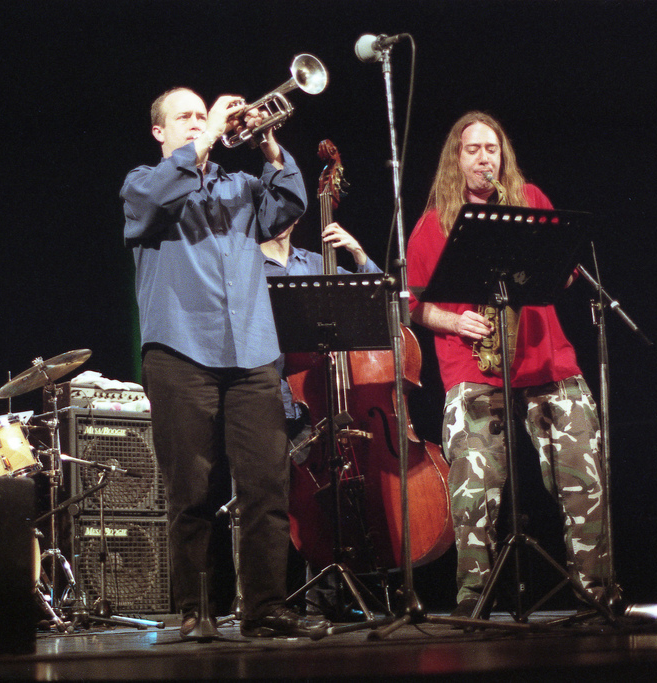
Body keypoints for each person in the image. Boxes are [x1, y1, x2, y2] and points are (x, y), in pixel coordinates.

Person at [121, 86, 315, 638]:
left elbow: (288, 206)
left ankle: (264, 606)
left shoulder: (240, 186)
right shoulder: (143, 182)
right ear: (160, 131)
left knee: (265, 487)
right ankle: (196, 610)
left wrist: (270, 147)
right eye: (185, 117)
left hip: (252, 350)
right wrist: (205, 140)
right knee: (192, 490)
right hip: (181, 350)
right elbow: (155, 204)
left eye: (203, 115)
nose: (199, 122)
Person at [406, 111, 609, 617]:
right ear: (457, 159)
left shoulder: (530, 200)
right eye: (472, 150)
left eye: (491, 149)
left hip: (547, 360)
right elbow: (413, 304)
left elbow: (564, 272)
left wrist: (555, 269)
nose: (483, 159)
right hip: (473, 366)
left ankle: (597, 596)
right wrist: (456, 323)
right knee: (473, 492)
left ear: (503, 156)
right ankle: (473, 601)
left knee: (585, 480)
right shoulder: (435, 221)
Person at [261, 218, 382, 618]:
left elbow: (378, 300)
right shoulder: (243, 264)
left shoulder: (315, 264)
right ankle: (260, 604)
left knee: (325, 501)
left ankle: (325, 602)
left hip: (315, 398)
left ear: (297, 216)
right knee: (260, 504)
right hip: (261, 397)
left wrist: (358, 255)